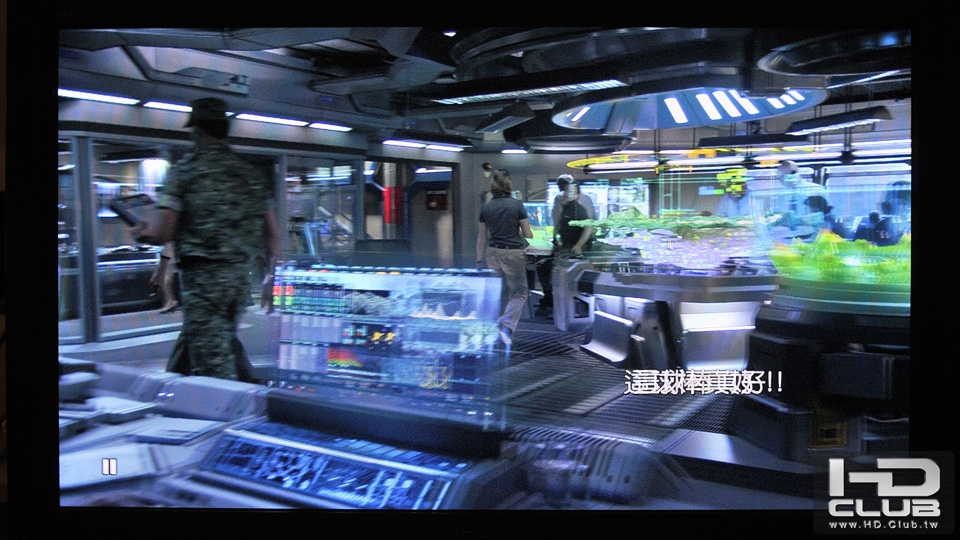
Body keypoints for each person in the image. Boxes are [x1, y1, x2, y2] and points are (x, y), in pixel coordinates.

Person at [135, 97, 282, 381]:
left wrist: (140, 231)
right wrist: (272, 281)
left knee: (213, 367)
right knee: (218, 341)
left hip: (203, 282)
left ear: (197, 130)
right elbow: (273, 235)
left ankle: (233, 404)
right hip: (239, 281)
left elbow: (162, 233)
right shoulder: (250, 175)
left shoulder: (185, 172)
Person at [476, 170, 533, 345]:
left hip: (492, 252)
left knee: (498, 292)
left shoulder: (486, 208)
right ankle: (506, 326)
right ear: (509, 184)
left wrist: (478, 260)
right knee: (519, 293)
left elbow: (482, 237)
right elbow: (527, 233)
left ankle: (492, 329)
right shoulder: (517, 205)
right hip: (512, 253)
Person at [536, 179, 595, 316]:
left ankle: (555, 305)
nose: (566, 194)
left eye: (570, 191)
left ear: (576, 194)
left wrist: (578, 245)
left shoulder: (577, 209)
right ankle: (551, 302)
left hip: (572, 251)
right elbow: (559, 224)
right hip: (564, 248)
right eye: (566, 190)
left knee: (549, 271)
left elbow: (589, 226)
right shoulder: (567, 207)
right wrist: (556, 237)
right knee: (544, 267)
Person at [150, 241, 180, 313]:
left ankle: (171, 301)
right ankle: (171, 301)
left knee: (167, 277)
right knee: (167, 277)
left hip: (171, 253)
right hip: (171, 252)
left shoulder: (168, 244)